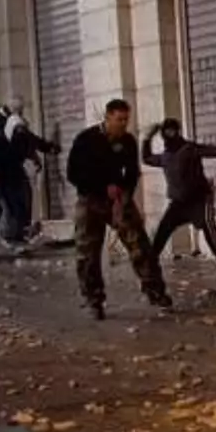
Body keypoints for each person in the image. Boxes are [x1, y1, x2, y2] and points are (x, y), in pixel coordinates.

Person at [66, 98, 171, 320]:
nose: (123, 124)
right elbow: (73, 174)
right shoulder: (86, 140)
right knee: (87, 253)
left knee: (140, 244)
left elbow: (132, 172)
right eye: (119, 120)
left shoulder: (128, 142)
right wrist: (102, 186)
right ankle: (94, 300)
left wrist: (124, 196)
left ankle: (155, 290)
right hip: (90, 199)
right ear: (107, 117)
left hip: (118, 200)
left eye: (126, 120)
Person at [143, 119, 216, 270]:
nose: (170, 134)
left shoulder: (189, 149)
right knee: (163, 229)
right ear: (163, 134)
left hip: (199, 199)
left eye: (173, 130)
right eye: (167, 131)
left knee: (208, 226)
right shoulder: (165, 156)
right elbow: (147, 159)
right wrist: (147, 138)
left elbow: (215, 151)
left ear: (178, 132)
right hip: (178, 203)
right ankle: (150, 263)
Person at [0, 99, 58, 247]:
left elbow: (32, 143)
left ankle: (17, 233)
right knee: (7, 203)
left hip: (14, 171)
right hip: (0, 174)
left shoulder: (21, 134)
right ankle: (5, 235)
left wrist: (47, 149)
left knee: (22, 198)